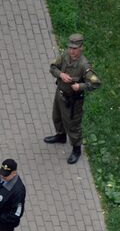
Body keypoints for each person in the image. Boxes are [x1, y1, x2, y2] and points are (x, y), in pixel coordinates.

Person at [43, 33, 100, 165]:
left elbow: (96, 83)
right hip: (60, 93)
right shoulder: (65, 56)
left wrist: (80, 86)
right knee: (57, 116)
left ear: (81, 48)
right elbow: (53, 67)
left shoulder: (84, 65)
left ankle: (76, 149)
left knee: (73, 125)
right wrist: (61, 74)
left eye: (75, 49)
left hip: (73, 100)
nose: (72, 51)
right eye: (70, 48)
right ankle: (61, 136)